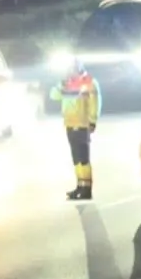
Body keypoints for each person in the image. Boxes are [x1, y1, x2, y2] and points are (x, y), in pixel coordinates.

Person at [49, 61, 101, 200]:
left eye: (72, 70)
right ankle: (80, 186)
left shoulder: (89, 83)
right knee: (76, 159)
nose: (70, 73)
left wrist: (92, 121)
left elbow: (95, 103)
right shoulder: (67, 84)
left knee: (83, 159)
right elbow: (53, 95)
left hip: (82, 124)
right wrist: (60, 84)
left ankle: (87, 189)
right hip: (70, 124)